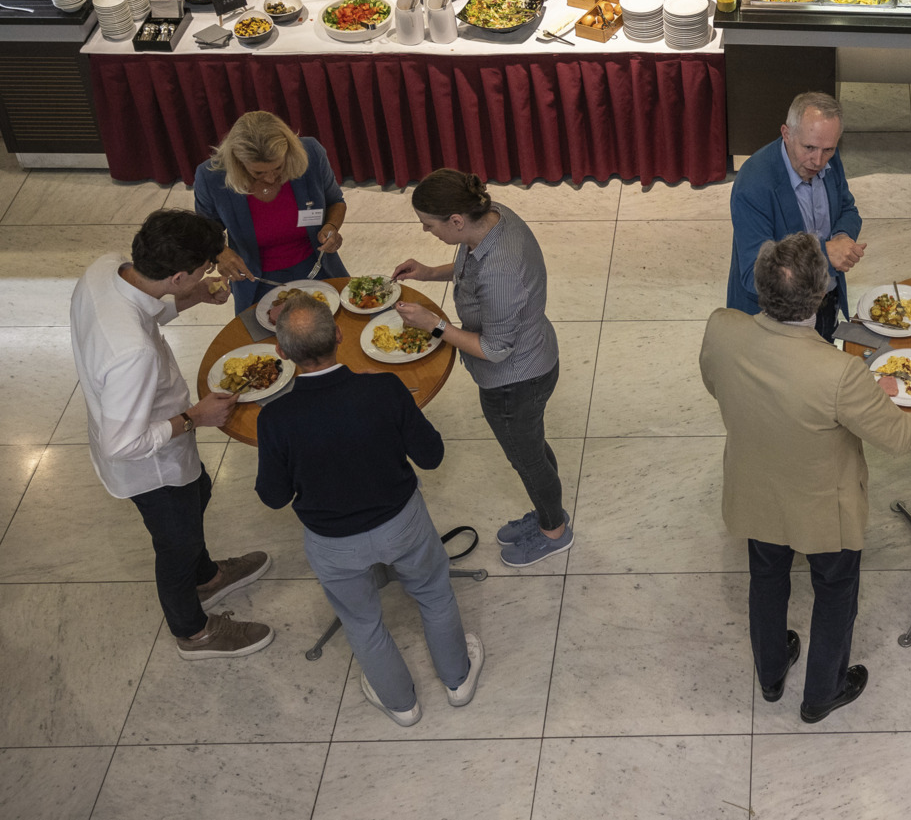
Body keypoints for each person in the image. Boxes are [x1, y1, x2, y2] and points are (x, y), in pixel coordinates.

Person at [700, 233, 911, 722]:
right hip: (824, 507)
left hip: (756, 489)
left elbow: (716, 383)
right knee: (834, 593)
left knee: (766, 580)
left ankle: (770, 673)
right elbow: (893, 434)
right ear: (821, 293)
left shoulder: (721, 328)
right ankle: (822, 692)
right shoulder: (841, 373)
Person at [255, 296, 482, 727]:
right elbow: (431, 456)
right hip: (401, 523)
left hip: (333, 542)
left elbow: (273, 496)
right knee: (433, 594)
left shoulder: (275, 418)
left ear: (281, 353)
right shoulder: (384, 389)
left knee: (361, 621)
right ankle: (458, 679)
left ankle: (401, 705)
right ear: (340, 335)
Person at [69, 210, 274, 659]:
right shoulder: (131, 354)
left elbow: (147, 307)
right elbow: (122, 444)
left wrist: (195, 296)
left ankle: (209, 577)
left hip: (155, 432)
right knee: (176, 545)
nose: (211, 273)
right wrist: (194, 417)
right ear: (177, 273)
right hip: (150, 465)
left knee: (198, 489)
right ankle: (194, 632)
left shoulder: (107, 267)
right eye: (204, 270)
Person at [392, 169, 568, 568]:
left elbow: (494, 349)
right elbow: (470, 269)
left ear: (456, 221)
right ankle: (547, 512)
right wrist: (429, 271)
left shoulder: (501, 269)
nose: (425, 232)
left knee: (527, 459)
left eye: (428, 226)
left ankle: (554, 532)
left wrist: (435, 325)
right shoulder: (492, 217)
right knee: (533, 448)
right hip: (534, 356)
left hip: (514, 381)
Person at [728, 92, 865, 341]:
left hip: (825, 304)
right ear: (786, 134)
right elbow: (754, 275)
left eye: (828, 150)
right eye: (809, 148)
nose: (818, 161)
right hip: (776, 324)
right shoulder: (753, 184)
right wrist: (825, 254)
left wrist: (843, 237)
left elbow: (847, 209)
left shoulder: (828, 158)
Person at [192, 111, 348, 314]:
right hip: (256, 280)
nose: (270, 178)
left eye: (278, 168)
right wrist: (220, 252)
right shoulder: (211, 176)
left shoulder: (311, 152)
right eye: (258, 173)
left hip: (318, 268)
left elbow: (336, 201)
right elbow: (203, 232)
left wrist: (331, 227)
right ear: (238, 163)